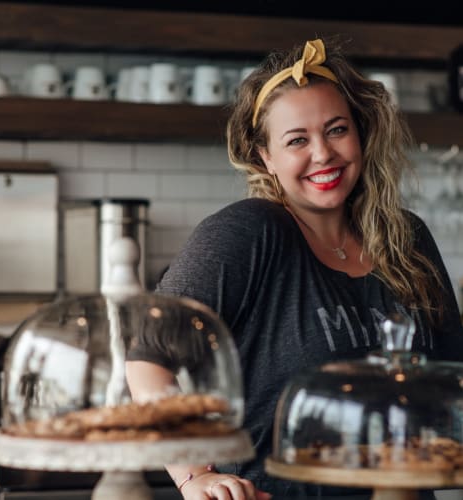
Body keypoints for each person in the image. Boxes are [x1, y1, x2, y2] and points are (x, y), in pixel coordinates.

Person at [126, 37, 463, 499]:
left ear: (361, 134)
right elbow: (148, 359)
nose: (323, 154)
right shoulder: (247, 233)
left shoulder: (408, 239)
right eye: (297, 140)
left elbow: (451, 380)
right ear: (266, 157)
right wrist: (193, 474)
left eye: (337, 130)